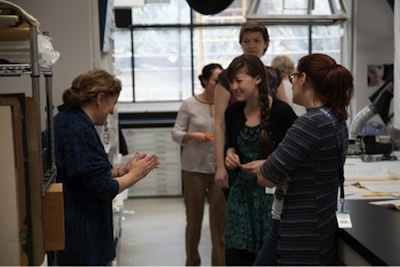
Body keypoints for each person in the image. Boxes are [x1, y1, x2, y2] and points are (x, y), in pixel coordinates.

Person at [53, 69, 159, 266]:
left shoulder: (69, 120)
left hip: (77, 225)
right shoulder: (79, 130)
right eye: (113, 103)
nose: (112, 111)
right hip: (81, 232)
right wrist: (135, 175)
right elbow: (103, 188)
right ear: (101, 99)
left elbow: (84, 172)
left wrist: (121, 171)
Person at [256, 53, 354, 265]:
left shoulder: (309, 124)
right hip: (320, 226)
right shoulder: (335, 119)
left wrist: (274, 168)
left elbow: (265, 177)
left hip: (300, 231)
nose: (291, 85)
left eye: (293, 78)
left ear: (303, 79)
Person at [223, 54, 297, 266]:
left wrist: (267, 164)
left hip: (271, 197)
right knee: (237, 254)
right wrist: (229, 154)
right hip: (241, 196)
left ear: (257, 79)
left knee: (267, 257)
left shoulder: (282, 112)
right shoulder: (233, 112)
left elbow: (298, 155)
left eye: (238, 81)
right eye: (231, 82)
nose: (234, 87)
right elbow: (229, 143)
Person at [214, 20, 289, 193]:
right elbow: (218, 125)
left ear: (266, 44)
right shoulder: (228, 77)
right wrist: (220, 166)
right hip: (238, 153)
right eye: (246, 41)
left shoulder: (273, 74)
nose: (251, 45)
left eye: (256, 40)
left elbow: (284, 110)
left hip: (269, 152)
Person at [171, 63, 227, 266]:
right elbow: (175, 133)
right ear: (204, 81)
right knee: (194, 221)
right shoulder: (189, 104)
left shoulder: (228, 103)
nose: (221, 84)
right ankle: (192, 261)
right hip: (193, 169)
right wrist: (191, 136)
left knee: (219, 224)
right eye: (216, 80)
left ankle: (220, 263)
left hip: (219, 170)